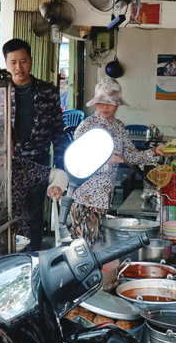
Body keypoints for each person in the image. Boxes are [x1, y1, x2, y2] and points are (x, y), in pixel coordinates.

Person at [49, 77, 166, 248]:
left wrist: (155, 152)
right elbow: (76, 161)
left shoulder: (119, 127)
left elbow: (130, 157)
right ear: (95, 103)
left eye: (111, 103)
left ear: (117, 105)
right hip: (85, 198)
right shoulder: (86, 126)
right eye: (102, 102)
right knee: (82, 248)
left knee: (95, 246)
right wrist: (106, 160)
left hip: (105, 198)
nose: (105, 106)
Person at [3, 39, 70, 251]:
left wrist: (60, 167)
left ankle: (34, 261)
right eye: (13, 62)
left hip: (38, 161)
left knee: (33, 216)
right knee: (6, 215)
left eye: (23, 61)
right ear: (5, 63)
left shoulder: (47, 91)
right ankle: (9, 260)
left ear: (31, 61)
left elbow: (58, 131)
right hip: (8, 165)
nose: (18, 67)